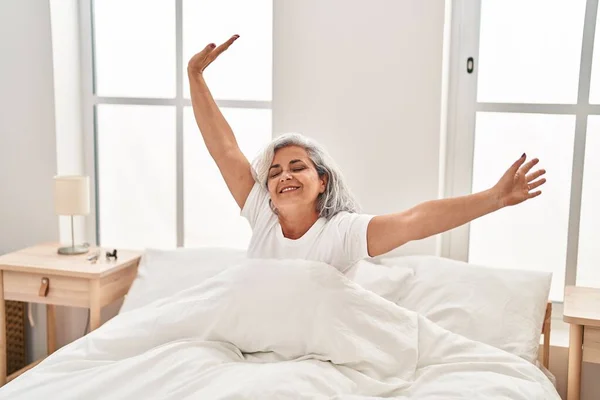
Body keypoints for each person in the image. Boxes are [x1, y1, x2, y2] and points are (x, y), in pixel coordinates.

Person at [187, 35, 546, 273]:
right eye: (276, 171)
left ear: (323, 180)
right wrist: (195, 76)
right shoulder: (262, 215)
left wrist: (495, 197)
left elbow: (415, 221)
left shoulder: (342, 232)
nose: (285, 176)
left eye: (298, 167)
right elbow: (225, 150)